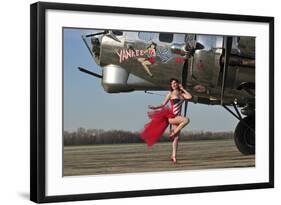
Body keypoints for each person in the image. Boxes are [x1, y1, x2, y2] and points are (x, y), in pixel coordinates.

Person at [140, 78, 192, 163]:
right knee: (186, 120)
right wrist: (155, 107)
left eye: (175, 83)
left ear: (178, 84)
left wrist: (182, 89)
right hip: (172, 117)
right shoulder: (170, 94)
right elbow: (163, 104)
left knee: (176, 138)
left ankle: (174, 156)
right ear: (171, 85)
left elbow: (190, 97)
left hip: (178, 118)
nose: (174, 85)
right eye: (172, 84)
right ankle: (173, 133)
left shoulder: (182, 94)